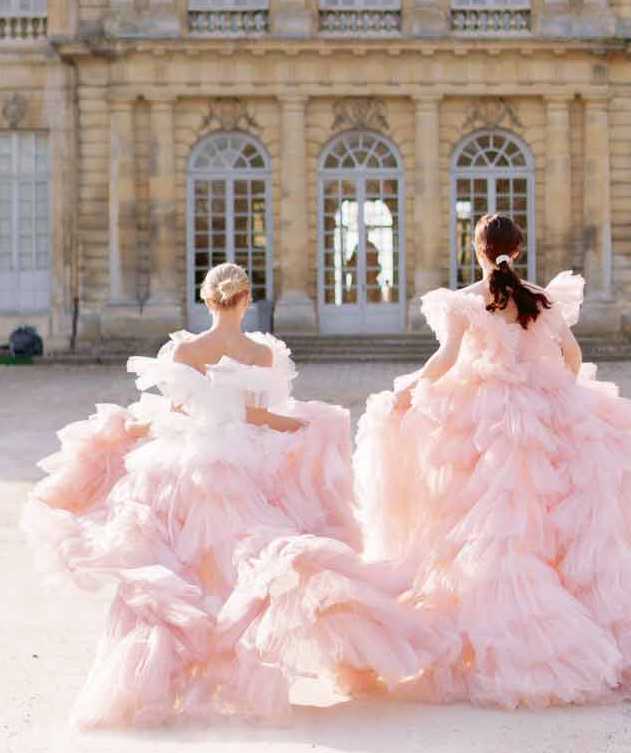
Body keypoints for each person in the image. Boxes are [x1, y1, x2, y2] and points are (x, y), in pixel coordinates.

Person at [23, 261, 454, 726]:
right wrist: (310, 423)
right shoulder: (262, 354)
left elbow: (175, 410)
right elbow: (261, 417)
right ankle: (234, 667)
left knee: (173, 569)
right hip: (238, 466)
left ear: (207, 300)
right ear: (246, 300)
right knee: (239, 571)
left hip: (182, 464)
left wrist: (128, 427)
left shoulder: (185, 351)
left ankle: (154, 678)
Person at [354, 213, 631, 710]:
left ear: (476, 250)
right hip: (542, 410)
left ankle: (501, 640)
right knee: (559, 525)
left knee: (489, 528)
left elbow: (446, 360)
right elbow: (571, 353)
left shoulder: (466, 302)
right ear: (517, 252)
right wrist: (559, 390)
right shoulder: (539, 298)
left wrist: (409, 390)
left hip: (487, 418)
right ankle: (588, 637)